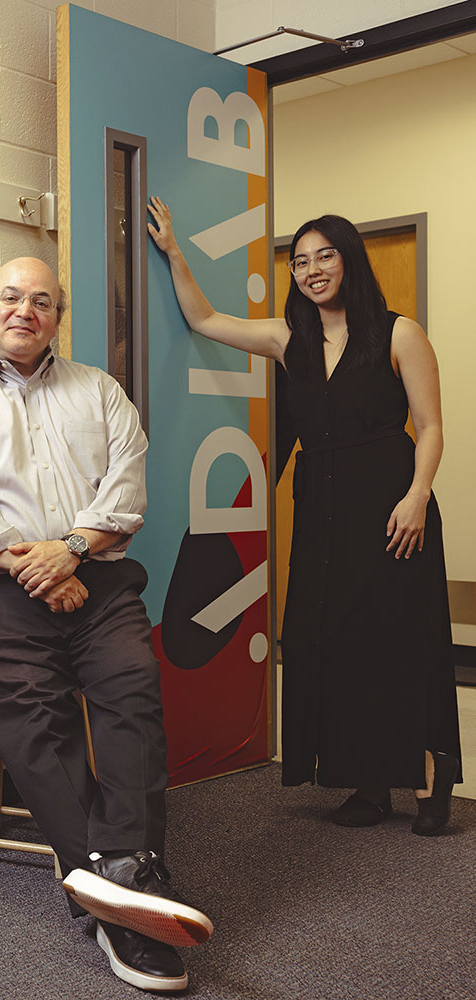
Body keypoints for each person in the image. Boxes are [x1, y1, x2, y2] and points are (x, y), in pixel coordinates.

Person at [0, 256, 212, 992]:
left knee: (132, 692)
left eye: (41, 300)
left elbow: (126, 490)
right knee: (34, 719)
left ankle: (117, 870)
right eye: (9, 297)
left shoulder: (101, 393)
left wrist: (69, 552)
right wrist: (34, 568)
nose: (25, 309)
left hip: (94, 581)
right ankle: (126, 900)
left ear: (58, 316)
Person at [147, 197, 461, 835]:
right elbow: (205, 319)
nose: (312, 270)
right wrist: (175, 251)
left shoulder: (400, 333)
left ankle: (434, 777)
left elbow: (429, 427)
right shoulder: (289, 337)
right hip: (321, 512)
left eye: (326, 257)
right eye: (301, 261)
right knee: (339, 641)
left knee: (403, 638)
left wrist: (417, 495)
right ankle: (370, 784)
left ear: (349, 261)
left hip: (394, 507)